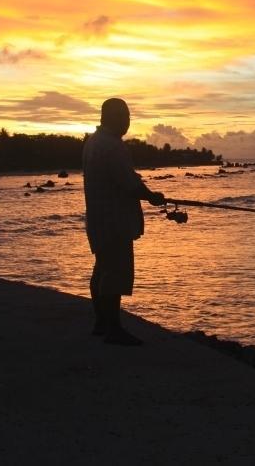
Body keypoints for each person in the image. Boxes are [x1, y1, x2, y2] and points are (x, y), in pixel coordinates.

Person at [82, 98, 165, 346]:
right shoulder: (113, 146)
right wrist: (152, 196)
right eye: (125, 117)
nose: (128, 122)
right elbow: (128, 183)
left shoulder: (92, 142)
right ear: (111, 117)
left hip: (98, 218)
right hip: (114, 220)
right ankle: (113, 329)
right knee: (114, 274)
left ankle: (101, 322)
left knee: (102, 270)